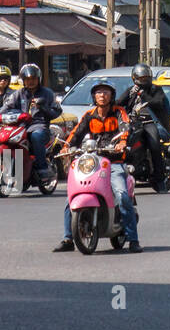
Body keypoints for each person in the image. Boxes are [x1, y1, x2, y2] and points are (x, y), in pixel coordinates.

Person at [53, 82, 141, 252]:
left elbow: (125, 128)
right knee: (70, 197)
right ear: (94, 96)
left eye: (105, 92)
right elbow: (76, 134)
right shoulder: (89, 115)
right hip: (93, 161)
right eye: (99, 92)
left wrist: (122, 142)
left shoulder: (118, 112)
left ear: (111, 96)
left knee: (122, 194)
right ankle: (68, 238)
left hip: (114, 162)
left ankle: (133, 238)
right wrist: (67, 147)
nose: (102, 95)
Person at [0, 63, 62, 193]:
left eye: (33, 79)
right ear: (23, 81)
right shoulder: (19, 94)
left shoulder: (47, 93)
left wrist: (43, 107)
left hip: (39, 126)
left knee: (35, 136)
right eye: (28, 80)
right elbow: (7, 107)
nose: (30, 82)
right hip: (20, 126)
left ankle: (42, 169)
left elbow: (57, 111)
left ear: (38, 79)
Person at [118, 63, 170, 193]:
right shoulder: (131, 90)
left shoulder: (156, 89)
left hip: (149, 122)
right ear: (134, 78)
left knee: (154, 145)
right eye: (141, 78)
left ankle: (159, 180)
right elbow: (118, 103)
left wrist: (143, 95)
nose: (144, 81)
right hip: (131, 122)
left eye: (146, 78)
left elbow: (158, 103)